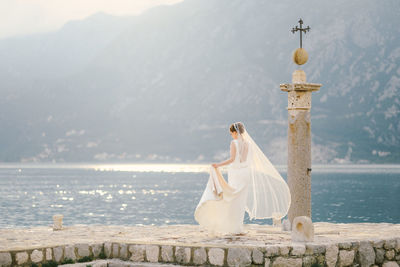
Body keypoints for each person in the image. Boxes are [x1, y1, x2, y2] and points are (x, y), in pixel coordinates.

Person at [194, 122, 291, 235]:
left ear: (235, 132)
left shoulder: (234, 143)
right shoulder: (248, 144)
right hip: (245, 174)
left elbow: (232, 159)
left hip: (236, 174)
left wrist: (218, 165)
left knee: (232, 200)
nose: (231, 136)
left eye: (231, 134)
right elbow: (247, 160)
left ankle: (231, 227)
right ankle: (237, 227)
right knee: (240, 201)